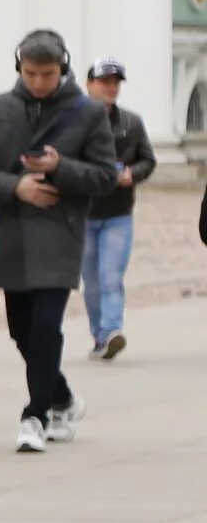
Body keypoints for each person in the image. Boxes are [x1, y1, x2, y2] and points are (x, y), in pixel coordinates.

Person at [0, 29, 118, 452]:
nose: (38, 81)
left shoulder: (88, 113)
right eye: (30, 73)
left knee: (47, 326)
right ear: (19, 68)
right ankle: (63, 396)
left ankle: (35, 414)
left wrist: (59, 167)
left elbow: (106, 176)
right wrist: (17, 187)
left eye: (46, 74)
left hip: (60, 232)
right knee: (22, 331)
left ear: (62, 69)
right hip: (12, 233)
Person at [80, 59, 159, 362]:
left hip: (118, 213)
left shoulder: (131, 123)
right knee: (92, 279)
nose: (111, 87)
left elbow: (148, 160)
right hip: (84, 213)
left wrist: (131, 174)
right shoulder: (74, 122)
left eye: (115, 82)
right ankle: (99, 335)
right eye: (105, 81)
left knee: (111, 274)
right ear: (90, 85)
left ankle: (112, 330)